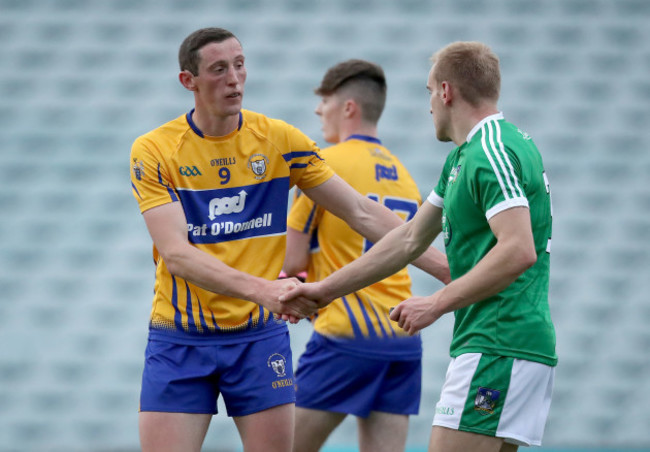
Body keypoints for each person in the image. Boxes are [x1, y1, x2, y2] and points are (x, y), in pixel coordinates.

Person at [129, 27, 449, 452]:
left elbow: (361, 212)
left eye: (240, 65)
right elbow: (177, 255)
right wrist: (266, 290)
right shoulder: (154, 150)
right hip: (181, 337)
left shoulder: (280, 140)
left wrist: (451, 272)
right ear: (189, 81)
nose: (235, 79)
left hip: (259, 336)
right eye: (219, 69)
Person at [281, 41, 556, 452]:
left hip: (496, 340)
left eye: (429, 91)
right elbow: (407, 239)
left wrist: (437, 302)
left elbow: (518, 250)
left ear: (446, 92)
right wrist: (322, 291)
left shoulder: (492, 150)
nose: (428, 104)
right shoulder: (462, 158)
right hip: (479, 340)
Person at [282, 59, 450, 452]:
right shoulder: (403, 174)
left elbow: (292, 265)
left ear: (348, 108)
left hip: (346, 335)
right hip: (403, 337)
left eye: (323, 102)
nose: (317, 111)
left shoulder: (321, 167)